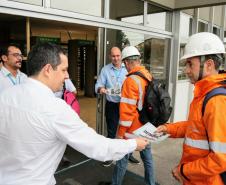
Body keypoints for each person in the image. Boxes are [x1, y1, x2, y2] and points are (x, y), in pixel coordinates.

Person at [0, 42, 149, 185]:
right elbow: (98, 146)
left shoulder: (5, 96)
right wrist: (133, 144)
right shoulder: (55, 109)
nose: (66, 77)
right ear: (47, 70)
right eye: (64, 70)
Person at [156, 32, 226, 185]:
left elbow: (220, 159)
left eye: (190, 64)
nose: (186, 70)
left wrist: (183, 171)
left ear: (208, 65)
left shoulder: (216, 101)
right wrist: (168, 129)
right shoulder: (205, 94)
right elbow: (196, 127)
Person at [100, 46, 156, 185]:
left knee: (122, 159)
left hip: (133, 129)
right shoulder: (147, 75)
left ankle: (115, 183)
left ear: (128, 62)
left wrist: (120, 134)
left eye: (124, 62)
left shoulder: (130, 80)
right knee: (148, 158)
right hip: (146, 126)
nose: (124, 65)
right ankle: (151, 183)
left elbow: (126, 114)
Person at [95, 46, 140, 166]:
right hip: (112, 105)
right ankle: (110, 157)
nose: (116, 58)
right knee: (111, 132)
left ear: (121, 56)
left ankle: (129, 155)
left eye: (118, 56)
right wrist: (102, 89)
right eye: (113, 56)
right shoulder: (105, 70)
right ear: (110, 56)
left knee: (128, 131)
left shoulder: (129, 68)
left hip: (128, 105)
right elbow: (98, 85)